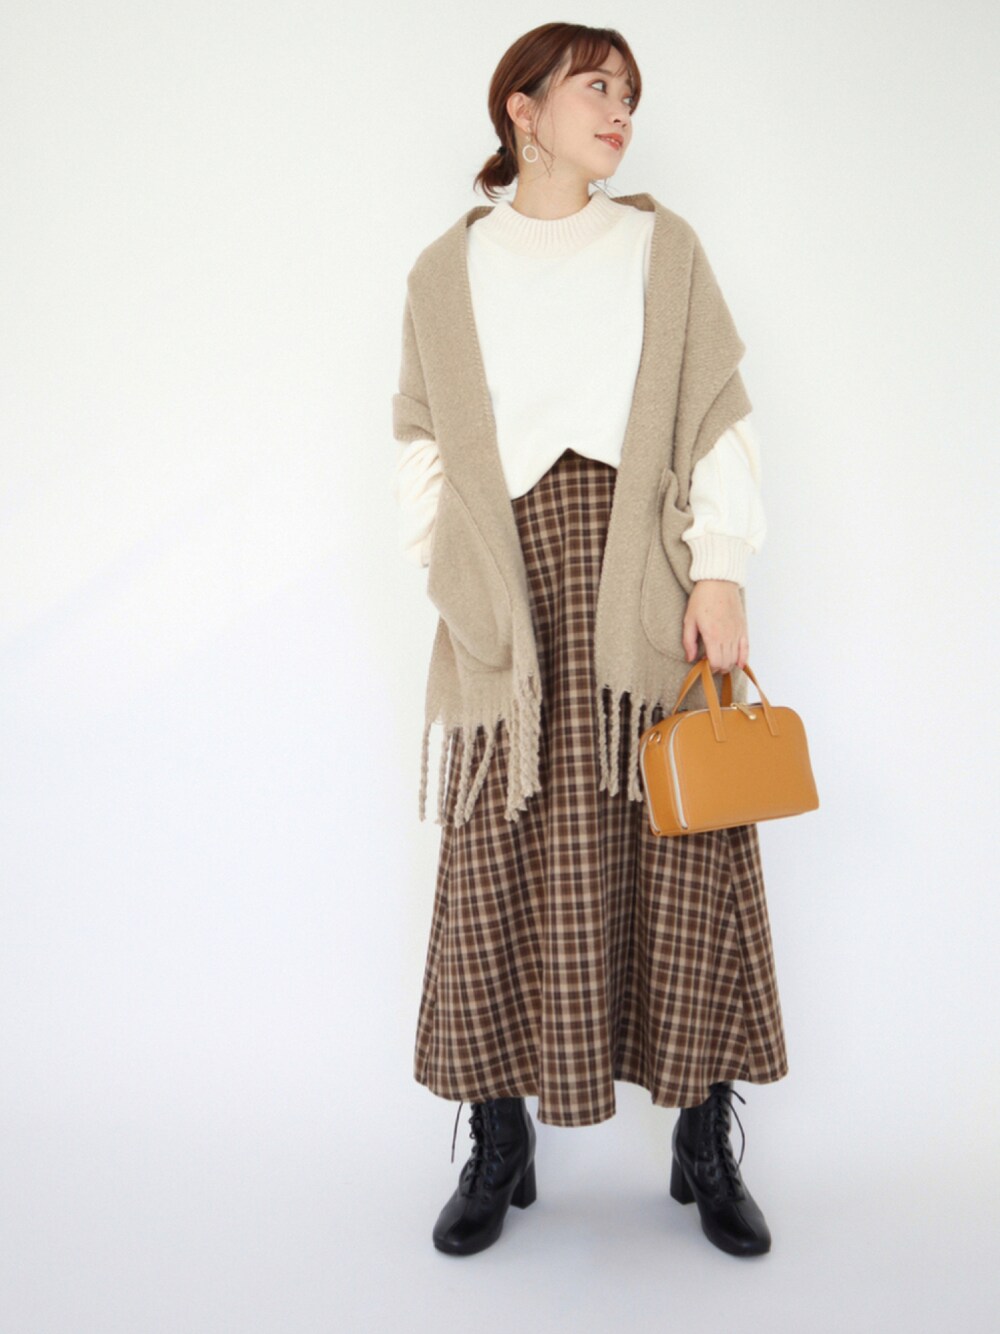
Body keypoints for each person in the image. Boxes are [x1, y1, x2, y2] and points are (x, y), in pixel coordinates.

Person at [391, 22, 788, 1260]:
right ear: (523, 110)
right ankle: (498, 1139)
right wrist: (456, 580)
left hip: (644, 590)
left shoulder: (663, 250)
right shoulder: (444, 274)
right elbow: (420, 444)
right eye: (594, 88)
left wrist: (718, 569)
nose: (620, 111)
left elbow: (716, 419)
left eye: (629, 93)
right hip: (506, 600)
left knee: (687, 850)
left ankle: (702, 1139)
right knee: (497, 864)